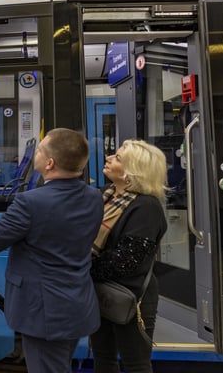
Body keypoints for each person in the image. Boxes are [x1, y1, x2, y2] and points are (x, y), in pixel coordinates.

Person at [0, 128, 103, 373]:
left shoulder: (30, 202)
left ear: (50, 163)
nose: (34, 153)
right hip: (76, 305)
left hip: (43, 313)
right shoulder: (94, 197)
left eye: (39, 149)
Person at [90, 140, 168, 373]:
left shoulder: (146, 208)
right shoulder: (106, 196)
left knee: (136, 364)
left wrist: (83, 268)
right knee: (103, 359)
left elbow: (125, 260)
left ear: (133, 170)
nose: (109, 157)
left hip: (132, 298)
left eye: (118, 157)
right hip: (101, 291)